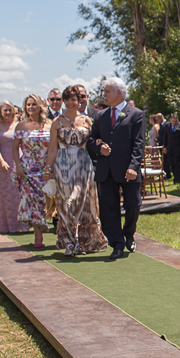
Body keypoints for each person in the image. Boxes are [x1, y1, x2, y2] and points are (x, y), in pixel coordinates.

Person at [44, 85, 108, 256]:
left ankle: (84, 241)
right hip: (62, 165)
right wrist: (47, 169)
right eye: (68, 99)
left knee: (80, 202)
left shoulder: (87, 121)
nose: (71, 102)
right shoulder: (56, 122)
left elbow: (94, 143)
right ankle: (69, 242)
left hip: (82, 165)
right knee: (65, 204)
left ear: (79, 101)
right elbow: (52, 149)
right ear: (63, 102)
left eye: (74, 99)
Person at [87, 77, 145, 260]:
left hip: (129, 170)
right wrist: (99, 147)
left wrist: (134, 166)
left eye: (107, 91)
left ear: (118, 93)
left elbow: (139, 144)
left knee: (133, 204)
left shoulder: (136, 114)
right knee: (109, 209)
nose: (104, 94)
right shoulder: (100, 116)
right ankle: (117, 243)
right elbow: (91, 140)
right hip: (106, 170)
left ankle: (129, 232)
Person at [13, 94, 52, 248]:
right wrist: (18, 165)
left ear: (40, 106)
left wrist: (50, 167)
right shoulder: (21, 125)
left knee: (46, 201)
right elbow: (14, 147)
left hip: (46, 168)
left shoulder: (50, 124)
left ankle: (50, 226)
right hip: (28, 169)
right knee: (32, 202)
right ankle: (37, 234)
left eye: (33, 104)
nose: (30, 107)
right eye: (28, 105)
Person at [0, 101, 28, 234]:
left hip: (18, 160)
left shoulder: (18, 125)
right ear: (0, 112)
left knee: (19, 192)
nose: (7, 113)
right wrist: (1, 161)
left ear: (13, 111)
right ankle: (7, 225)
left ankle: (22, 224)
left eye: (9, 110)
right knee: (6, 193)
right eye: (4, 110)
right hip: (4, 164)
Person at [163, 113, 180, 184]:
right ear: (170, 120)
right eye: (173, 121)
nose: (174, 123)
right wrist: (164, 147)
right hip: (169, 148)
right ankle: (175, 178)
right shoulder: (167, 126)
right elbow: (165, 137)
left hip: (178, 148)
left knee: (177, 163)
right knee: (171, 163)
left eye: (175, 121)